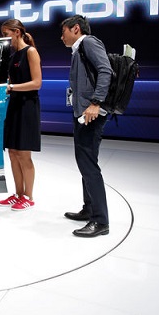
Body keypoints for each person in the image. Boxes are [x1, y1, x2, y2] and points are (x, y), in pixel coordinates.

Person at [60, 14, 113, 238]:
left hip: (91, 113)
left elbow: (105, 70)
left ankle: (100, 221)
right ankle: (89, 208)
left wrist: (95, 102)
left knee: (89, 165)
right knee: (84, 163)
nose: (60, 36)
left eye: (63, 32)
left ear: (76, 29)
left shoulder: (89, 42)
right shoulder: (79, 48)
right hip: (82, 112)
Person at [0, 19, 42, 211]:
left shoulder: (30, 52)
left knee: (24, 154)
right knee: (13, 153)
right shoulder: (13, 55)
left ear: (16, 32)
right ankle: (18, 194)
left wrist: (12, 87)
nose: (4, 38)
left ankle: (29, 196)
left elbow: (37, 83)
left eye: (6, 33)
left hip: (27, 107)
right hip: (14, 105)